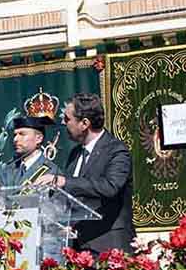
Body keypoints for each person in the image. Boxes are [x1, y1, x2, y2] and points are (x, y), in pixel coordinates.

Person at [44, 93, 133, 253]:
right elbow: (74, 197)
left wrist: (64, 182)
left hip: (108, 246)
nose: (63, 123)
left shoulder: (116, 150)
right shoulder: (75, 154)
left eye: (67, 119)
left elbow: (110, 187)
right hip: (78, 246)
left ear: (84, 123)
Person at [0, 112, 61, 185]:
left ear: (39, 138)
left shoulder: (52, 171)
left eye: (22, 134)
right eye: (15, 135)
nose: (15, 139)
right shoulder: (8, 169)